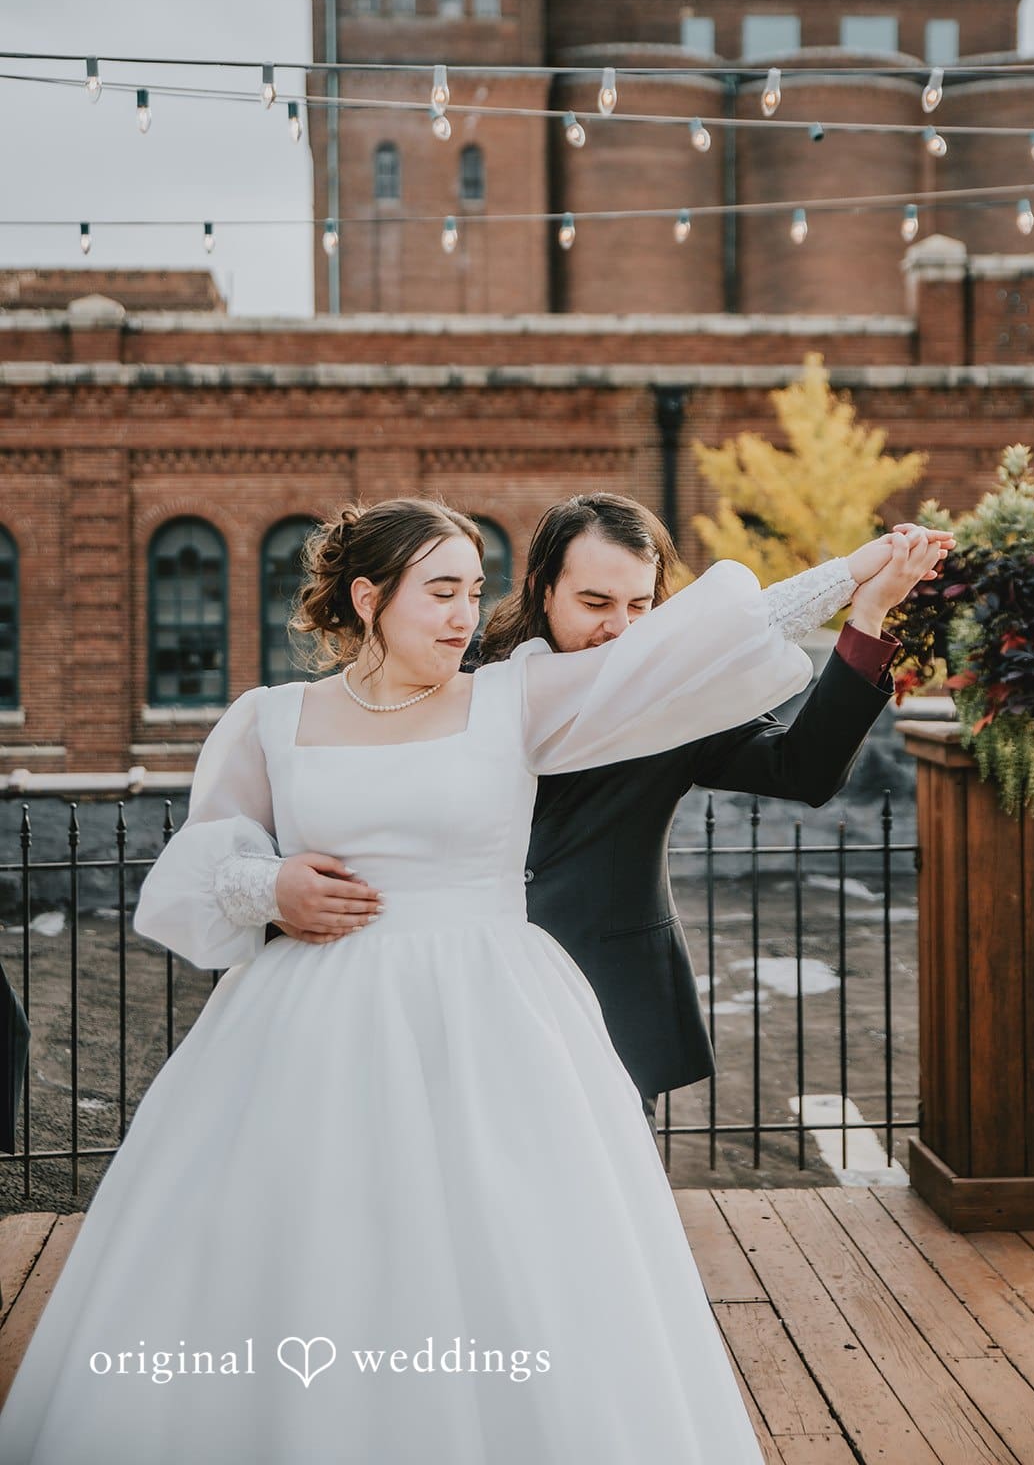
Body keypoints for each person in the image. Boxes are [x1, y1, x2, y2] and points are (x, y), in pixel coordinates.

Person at [0, 497, 945, 1464]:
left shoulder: (533, 697)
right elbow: (206, 855)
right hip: (319, 1021)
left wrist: (860, 580)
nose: (460, 612)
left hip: (516, 1015)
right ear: (371, 598)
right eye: (440, 590)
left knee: (549, 1261)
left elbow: (725, 642)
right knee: (318, 1244)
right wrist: (268, 884)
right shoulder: (285, 717)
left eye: (469, 592)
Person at [261, 496, 945, 1143]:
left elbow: (803, 770)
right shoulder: (458, 677)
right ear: (542, 589)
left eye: (640, 605)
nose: (618, 628)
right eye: (594, 602)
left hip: (606, 995)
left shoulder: (678, 695)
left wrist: (867, 616)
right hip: (447, 996)